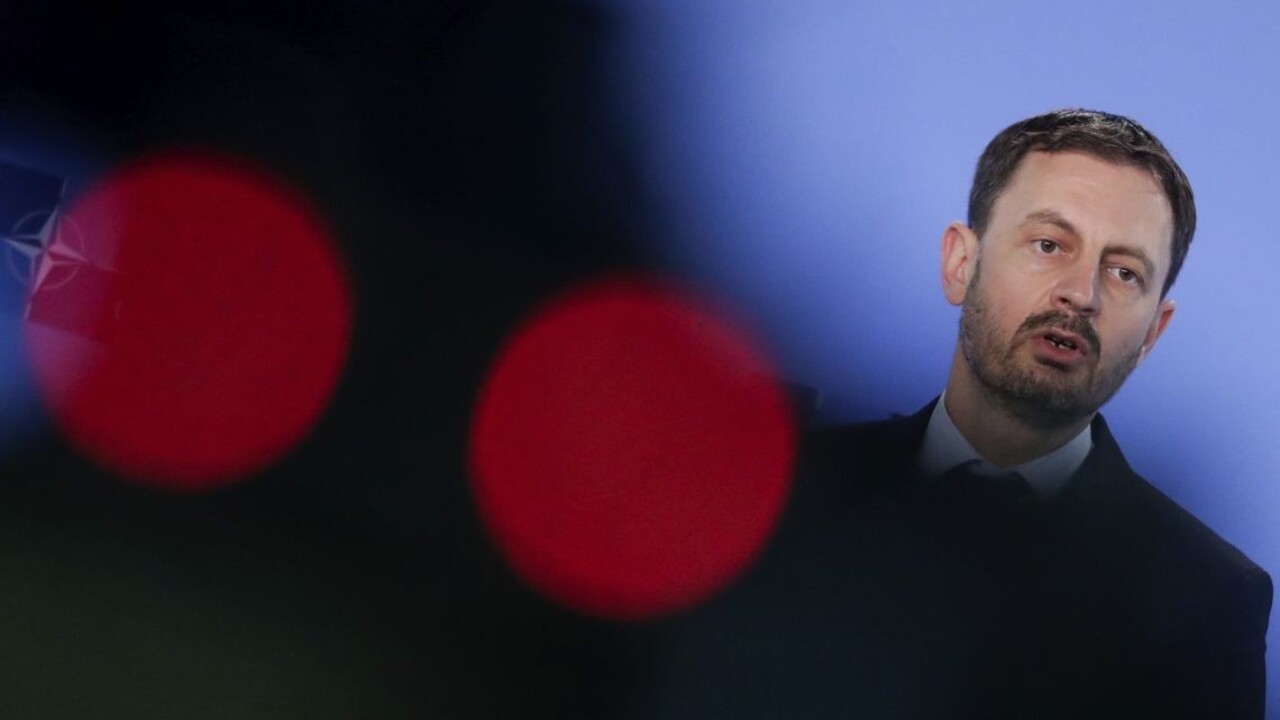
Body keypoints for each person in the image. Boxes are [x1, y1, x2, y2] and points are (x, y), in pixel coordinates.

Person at [646, 109, 1273, 719]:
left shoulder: (1208, 597)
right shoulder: (786, 485)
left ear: (1153, 335)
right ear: (959, 264)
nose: (1080, 294)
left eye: (1124, 273)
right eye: (1049, 244)